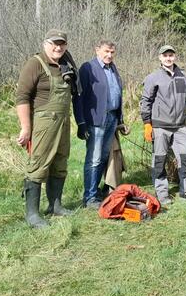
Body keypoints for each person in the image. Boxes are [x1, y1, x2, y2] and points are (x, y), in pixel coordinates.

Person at [16, 29, 80, 228]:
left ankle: (55, 206)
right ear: (45, 44)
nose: (58, 47)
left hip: (62, 122)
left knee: (60, 162)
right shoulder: (35, 63)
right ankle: (32, 214)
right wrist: (25, 128)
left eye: (62, 44)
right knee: (38, 165)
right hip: (43, 123)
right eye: (54, 43)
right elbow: (22, 98)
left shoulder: (66, 66)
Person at [140, 45, 186, 205]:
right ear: (160, 58)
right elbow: (146, 101)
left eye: (171, 55)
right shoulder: (153, 77)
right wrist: (147, 124)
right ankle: (162, 195)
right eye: (165, 55)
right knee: (159, 161)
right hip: (160, 127)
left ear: (175, 57)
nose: (168, 58)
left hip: (180, 127)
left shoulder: (182, 76)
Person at [75, 40, 124, 208]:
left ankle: (97, 192)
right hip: (96, 121)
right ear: (97, 50)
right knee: (94, 159)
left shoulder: (112, 67)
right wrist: (81, 122)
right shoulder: (88, 68)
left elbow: (116, 93)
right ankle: (89, 197)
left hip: (112, 118)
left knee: (103, 156)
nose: (109, 55)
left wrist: (120, 119)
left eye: (112, 52)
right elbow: (79, 97)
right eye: (106, 51)